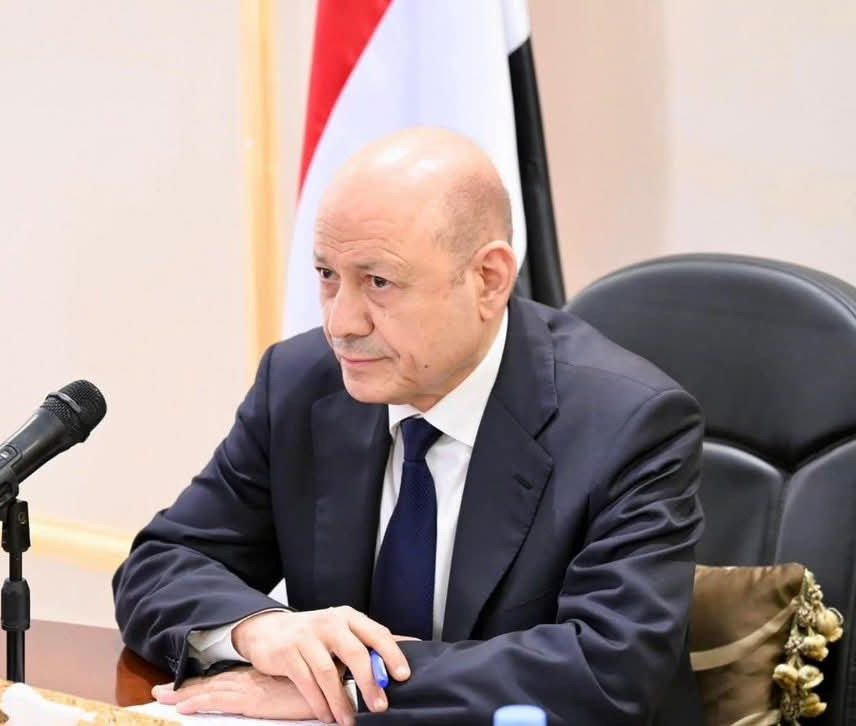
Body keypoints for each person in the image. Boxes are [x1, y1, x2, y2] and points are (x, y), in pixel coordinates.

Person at [113, 128, 705, 725]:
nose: (341, 323)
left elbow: (609, 668)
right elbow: (162, 564)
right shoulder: (301, 384)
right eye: (327, 275)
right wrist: (258, 628)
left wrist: (352, 683)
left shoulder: (628, 426)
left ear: (489, 279)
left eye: (379, 282)